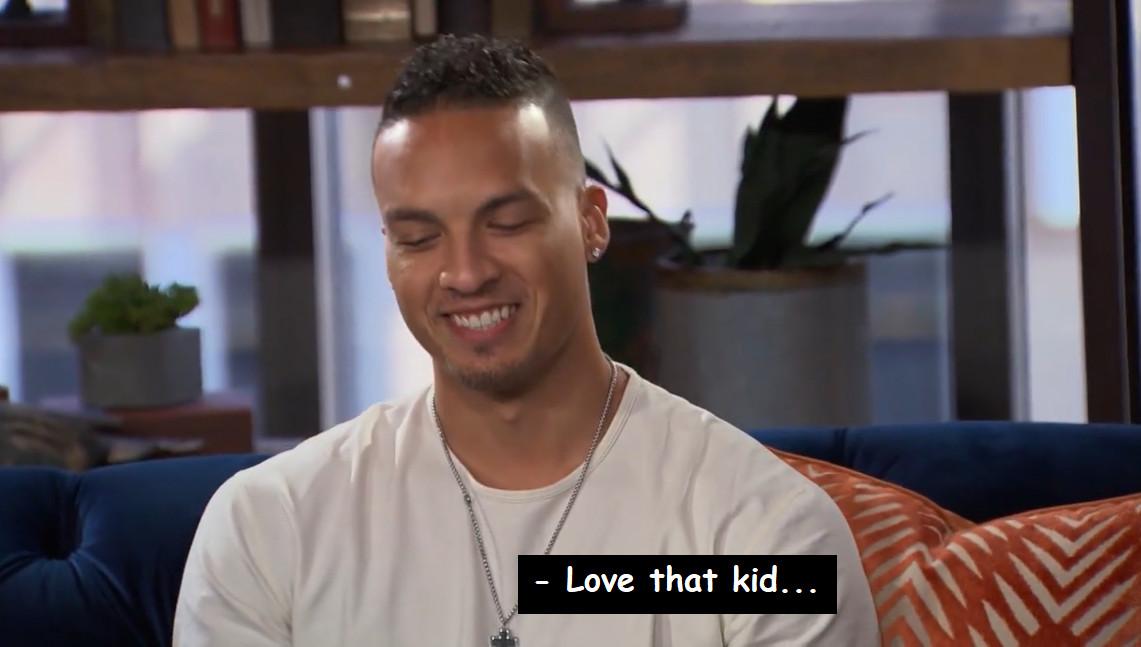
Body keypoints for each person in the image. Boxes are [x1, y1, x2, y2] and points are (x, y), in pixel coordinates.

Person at [173, 34, 880, 647]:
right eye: (418, 238)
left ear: (591, 221)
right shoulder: (269, 528)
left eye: (506, 223)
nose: (465, 272)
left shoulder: (768, 537)